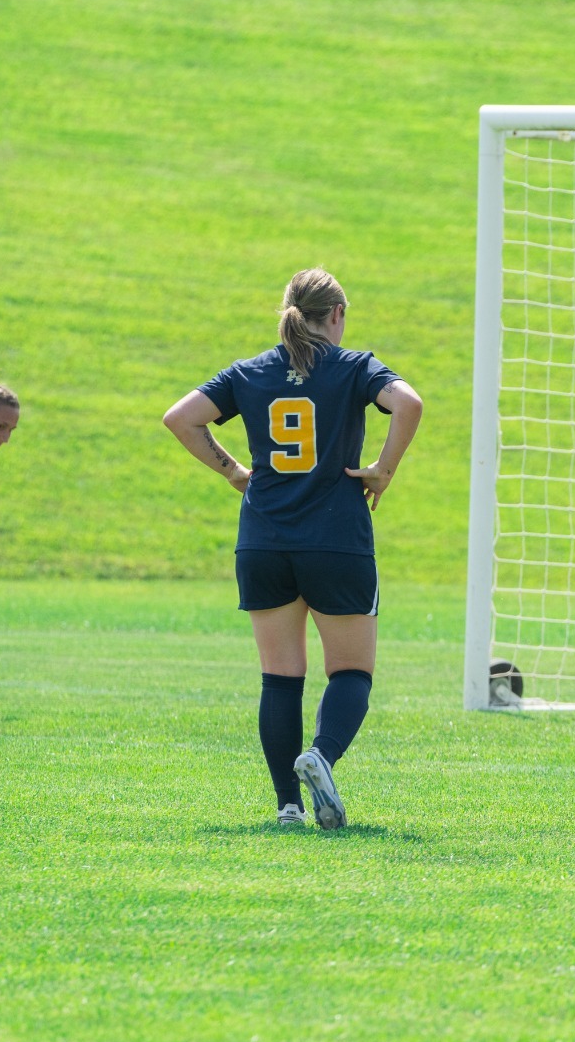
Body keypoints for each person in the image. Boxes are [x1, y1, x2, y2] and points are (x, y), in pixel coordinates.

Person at [160, 268, 423, 829]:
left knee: (280, 675)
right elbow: (409, 404)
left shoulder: (249, 371)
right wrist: (383, 470)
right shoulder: (354, 367)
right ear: (338, 316)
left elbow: (180, 419)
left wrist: (233, 471)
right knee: (351, 671)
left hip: (264, 541)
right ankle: (321, 756)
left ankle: (287, 806)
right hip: (336, 539)